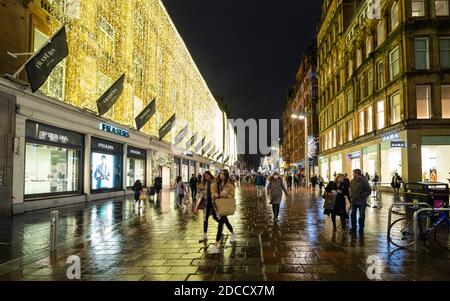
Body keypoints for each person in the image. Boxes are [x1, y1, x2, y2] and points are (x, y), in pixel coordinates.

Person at [208, 169, 237, 254]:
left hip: (224, 204)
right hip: (216, 204)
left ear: (226, 175)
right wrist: (214, 194)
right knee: (225, 220)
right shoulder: (216, 183)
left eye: (223, 174)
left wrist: (226, 195)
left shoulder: (230, 184)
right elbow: (213, 192)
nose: (221, 175)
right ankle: (233, 234)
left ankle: (215, 245)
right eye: (220, 173)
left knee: (221, 223)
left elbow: (232, 195)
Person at [349, 169, 372, 235]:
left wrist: (361, 195)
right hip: (354, 201)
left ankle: (361, 228)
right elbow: (351, 189)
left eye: (353, 173)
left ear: (357, 173)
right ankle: (353, 227)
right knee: (353, 214)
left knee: (361, 215)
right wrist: (351, 195)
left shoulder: (364, 180)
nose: (353, 174)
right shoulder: (352, 181)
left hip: (361, 202)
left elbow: (369, 191)